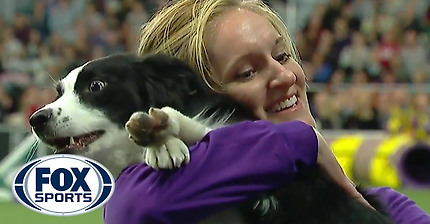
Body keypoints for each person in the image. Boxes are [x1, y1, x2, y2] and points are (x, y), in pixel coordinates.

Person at [103, 0, 430, 223]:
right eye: (247, 72)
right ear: (195, 103)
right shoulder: (160, 200)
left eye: (283, 55)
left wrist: (359, 211)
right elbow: (132, 208)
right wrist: (300, 142)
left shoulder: (386, 204)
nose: (287, 75)